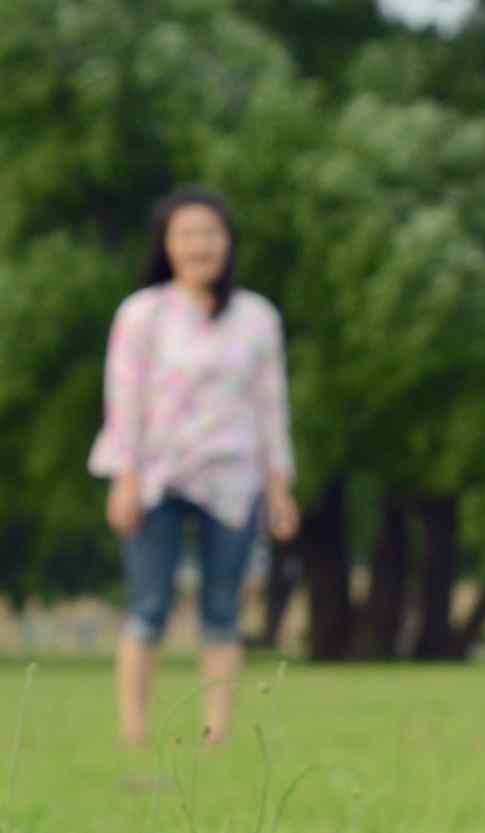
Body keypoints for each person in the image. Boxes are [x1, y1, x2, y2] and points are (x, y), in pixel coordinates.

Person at [88, 187, 300, 748]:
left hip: (233, 478)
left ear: (227, 243)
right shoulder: (142, 314)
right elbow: (124, 400)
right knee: (148, 606)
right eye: (187, 234)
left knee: (222, 610)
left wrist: (279, 486)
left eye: (210, 233)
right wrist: (125, 478)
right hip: (155, 477)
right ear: (167, 244)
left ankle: (217, 735)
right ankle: (134, 734)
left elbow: (270, 406)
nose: (200, 245)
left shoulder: (256, 317)